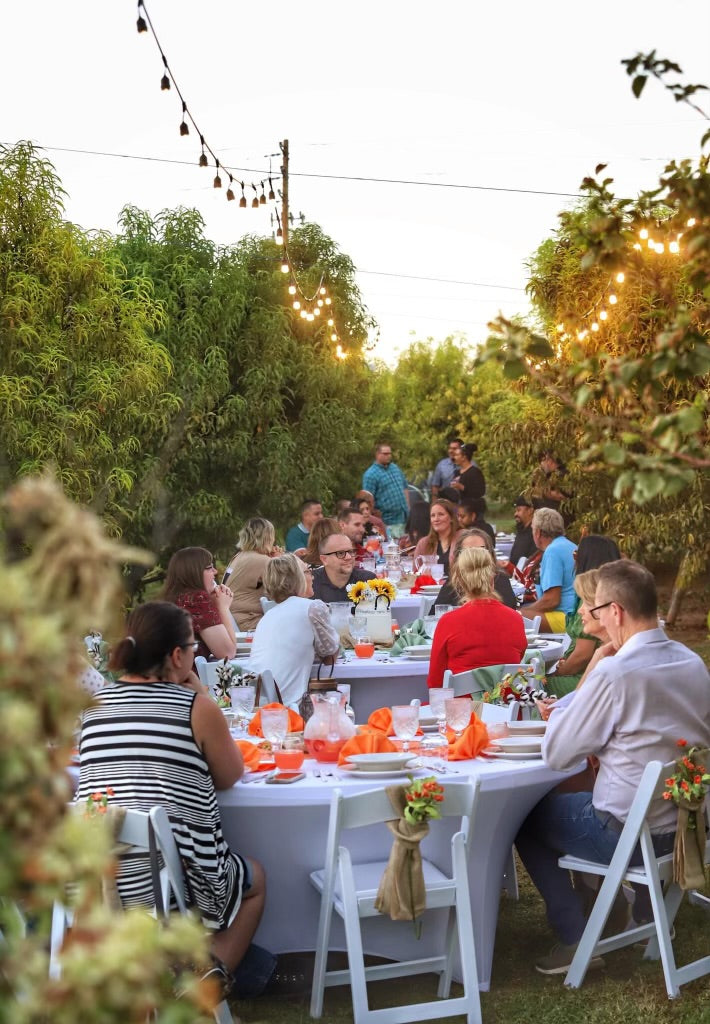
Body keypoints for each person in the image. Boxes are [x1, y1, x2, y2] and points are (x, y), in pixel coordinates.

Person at [516, 560, 710, 975]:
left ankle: (575, 935)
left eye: (598, 610)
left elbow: (557, 754)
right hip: (687, 826)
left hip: (629, 834)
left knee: (526, 819)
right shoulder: (693, 662)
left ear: (616, 612)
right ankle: (638, 911)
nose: (597, 617)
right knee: (588, 795)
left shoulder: (617, 672)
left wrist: (590, 676)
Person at [77, 601, 271, 995]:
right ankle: (208, 979)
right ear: (177, 656)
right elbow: (232, 776)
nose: (196, 654)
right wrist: (201, 692)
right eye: (193, 647)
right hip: (169, 886)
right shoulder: (194, 708)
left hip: (95, 882)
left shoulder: (92, 709)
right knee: (256, 877)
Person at [427, 547, 527, 689]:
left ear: (459, 581)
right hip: (506, 708)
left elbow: (435, 682)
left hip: (463, 710)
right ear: (492, 579)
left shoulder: (448, 622)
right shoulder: (515, 620)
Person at [248, 554, 339, 710]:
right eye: (308, 571)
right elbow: (330, 657)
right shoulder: (313, 607)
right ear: (297, 578)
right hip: (289, 708)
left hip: (258, 705)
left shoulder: (269, 615)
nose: (313, 576)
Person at [546, 535, 622, 696]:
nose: (574, 560)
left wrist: (560, 672)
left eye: (576, 555)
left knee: (532, 687)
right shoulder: (610, 593)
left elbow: (583, 654)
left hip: (583, 676)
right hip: (587, 673)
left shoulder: (592, 599)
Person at [163, 547, 236, 660]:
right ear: (194, 573)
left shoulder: (177, 597)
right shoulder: (197, 599)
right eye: (209, 568)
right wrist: (223, 607)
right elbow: (228, 653)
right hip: (192, 675)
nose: (215, 572)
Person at [520, 508, 576, 633]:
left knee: (515, 617)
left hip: (566, 618)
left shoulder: (552, 551)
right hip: (577, 615)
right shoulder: (570, 545)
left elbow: (552, 600)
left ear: (538, 532)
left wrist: (527, 611)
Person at [222, 517, 281, 631]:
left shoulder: (238, 556)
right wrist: (279, 562)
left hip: (233, 619)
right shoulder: (263, 561)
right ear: (268, 537)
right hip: (249, 621)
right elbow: (285, 590)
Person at [436, 528, 517, 609]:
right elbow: (435, 613)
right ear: (458, 557)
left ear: (490, 555)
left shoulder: (500, 580)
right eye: (468, 552)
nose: (474, 557)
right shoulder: (452, 582)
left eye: (480, 551)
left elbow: (508, 614)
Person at [311, 532, 376, 603]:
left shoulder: (368, 580)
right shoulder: (310, 583)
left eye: (351, 551)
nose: (349, 557)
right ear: (324, 559)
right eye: (340, 553)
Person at [362, 443, 409, 538]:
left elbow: (405, 487)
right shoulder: (370, 474)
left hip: (404, 518)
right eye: (385, 454)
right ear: (377, 455)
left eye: (390, 453)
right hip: (387, 521)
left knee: (405, 547)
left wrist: (408, 506)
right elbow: (367, 501)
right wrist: (378, 522)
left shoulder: (395, 468)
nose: (388, 456)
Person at [413, 499, 461, 577]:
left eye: (441, 514)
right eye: (433, 516)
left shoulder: (463, 538)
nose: (436, 519)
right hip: (431, 588)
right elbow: (415, 573)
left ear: (451, 518)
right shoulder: (424, 543)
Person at [501, 495, 538, 573]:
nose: (515, 514)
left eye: (518, 510)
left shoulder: (535, 533)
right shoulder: (521, 530)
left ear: (530, 511)